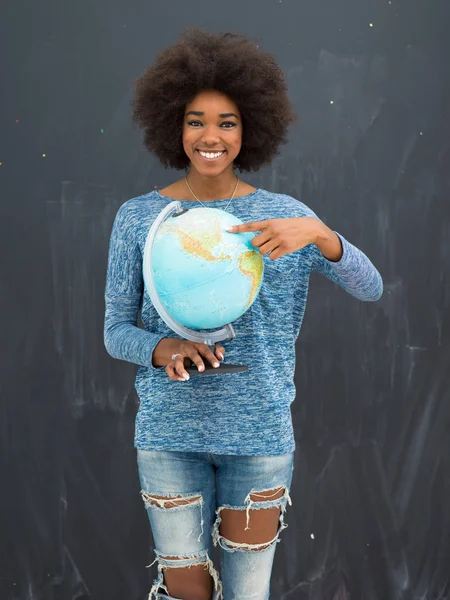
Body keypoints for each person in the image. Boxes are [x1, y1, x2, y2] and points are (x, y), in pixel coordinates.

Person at [104, 28, 383, 600]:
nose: (211, 136)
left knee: (247, 595)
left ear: (250, 128)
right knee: (184, 591)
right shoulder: (139, 219)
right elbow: (115, 330)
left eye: (227, 122)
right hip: (168, 436)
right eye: (195, 120)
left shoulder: (285, 217)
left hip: (259, 438)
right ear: (174, 128)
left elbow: (371, 287)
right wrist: (164, 349)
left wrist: (323, 235)